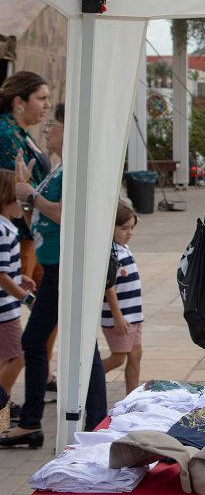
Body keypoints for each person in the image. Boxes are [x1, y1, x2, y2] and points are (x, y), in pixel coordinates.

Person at [4, 103, 108, 445]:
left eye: (54, 123)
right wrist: (25, 190)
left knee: (48, 341)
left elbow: (67, 215)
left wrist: (30, 194)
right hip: (54, 267)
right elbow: (38, 217)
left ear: (69, 129)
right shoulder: (57, 168)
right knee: (65, 342)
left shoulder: (74, 169)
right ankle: (75, 420)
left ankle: (45, 421)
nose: (47, 129)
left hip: (66, 266)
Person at [0, 71, 51, 283]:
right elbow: (10, 184)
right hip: (17, 234)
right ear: (19, 101)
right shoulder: (6, 133)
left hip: (32, 231)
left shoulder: (21, 133)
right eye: (41, 98)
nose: (47, 105)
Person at [101, 204, 144, 393]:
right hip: (119, 318)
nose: (129, 233)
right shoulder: (111, 252)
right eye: (124, 228)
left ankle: (131, 397)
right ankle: (83, 381)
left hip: (133, 315)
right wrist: (117, 316)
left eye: (132, 228)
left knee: (136, 354)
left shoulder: (123, 248)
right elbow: (108, 287)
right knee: (118, 358)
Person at [0, 171, 34, 400]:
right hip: (5, 310)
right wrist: (26, 297)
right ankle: (3, 405)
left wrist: (20, 278)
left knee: (6, 357)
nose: (22, 206)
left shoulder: (6, 228)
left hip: (5, 307)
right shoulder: (3, 231)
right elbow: (1, 275)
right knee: (19, 356)